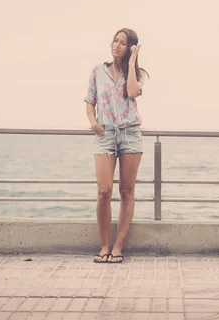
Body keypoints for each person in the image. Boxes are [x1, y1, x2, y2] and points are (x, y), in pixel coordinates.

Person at [84, 28, 149, 264]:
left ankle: (118, 246)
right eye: (115, 41)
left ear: (130, 48)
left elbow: (132, 92)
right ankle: (104, 245)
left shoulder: (137, 74)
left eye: (123, 43)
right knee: (104, 192)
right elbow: (90, 102)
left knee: (126, 192)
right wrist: (93, 123)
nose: (117, 45)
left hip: (130, 135)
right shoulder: (97, 71)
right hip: (105, 135)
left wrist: (131, 63)